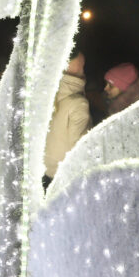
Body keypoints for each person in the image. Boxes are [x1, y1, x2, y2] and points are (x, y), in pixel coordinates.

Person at [43, 51, 91, 183]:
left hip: (46, 169)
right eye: (81, 65)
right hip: (66, 176)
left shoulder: (48, 93)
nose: (83, 69)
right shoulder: (79, 103)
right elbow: (80, 149)